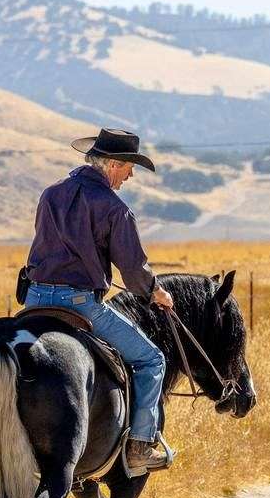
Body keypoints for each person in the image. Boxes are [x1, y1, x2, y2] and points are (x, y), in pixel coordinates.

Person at [24, 127, 175, 474]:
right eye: (129, 167)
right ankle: (139, 445)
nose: (131, 175)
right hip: (79, 303)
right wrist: (156, 292)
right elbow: (133, 269)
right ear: (112, 164)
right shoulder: (114, 208)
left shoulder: (50, 195)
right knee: (152, 360)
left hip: (34, 300)